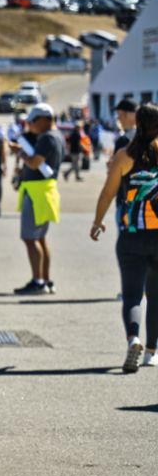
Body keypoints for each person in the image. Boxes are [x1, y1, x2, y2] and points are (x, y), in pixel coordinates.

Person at [90, 103, 158, 372]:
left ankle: (134, 338)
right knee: (156, 296)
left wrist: (97, 222)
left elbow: (108, 194)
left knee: (131, 296)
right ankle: (151, 352)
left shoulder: (124, 155)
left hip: (131, 235)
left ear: (136, 123)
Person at [12, 104, 64, 295]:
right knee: (40, 238)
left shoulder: (47, 138)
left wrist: (20, 153)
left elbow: (34, 163)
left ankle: (38, 281)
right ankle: (46, 280)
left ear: (45, 119)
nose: (30, 125)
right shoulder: (56, 137)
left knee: (30, 238)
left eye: (33, 121)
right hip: (46, 190)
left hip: (37, 192)